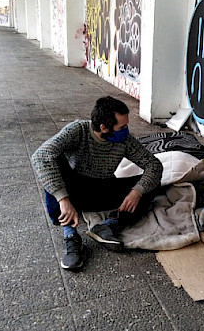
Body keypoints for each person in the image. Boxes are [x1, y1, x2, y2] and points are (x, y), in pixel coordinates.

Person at [31, 96, 163, 269]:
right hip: (74, 190)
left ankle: (108, 227)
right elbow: (41, 156)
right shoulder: (78, 130)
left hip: (103, 188)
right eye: (122, 127)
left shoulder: (124, 140)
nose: (126, 130)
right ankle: (70, 235)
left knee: (151, 185)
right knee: (52, 163)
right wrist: (62, 198)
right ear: (104, 127)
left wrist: (136, 192)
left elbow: (154, 165)